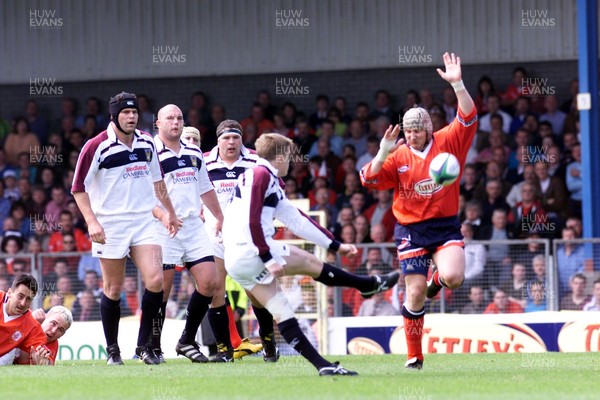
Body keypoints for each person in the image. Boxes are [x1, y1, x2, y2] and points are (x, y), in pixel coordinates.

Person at [222, 133, 399, 376]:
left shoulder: (262, 177)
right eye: (290, 158)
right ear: (281, 157)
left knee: (283, 313)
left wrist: (335, 245)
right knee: (310, 262)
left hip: (236, 261)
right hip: (250, 249)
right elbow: (250, 221)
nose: (291, 163)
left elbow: (297, 221)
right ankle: (366, 285)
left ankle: (323, 366)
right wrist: (267, 257)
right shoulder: (262, 175)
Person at [360, 53, 477, 369]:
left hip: (445, 226)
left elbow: (468, 116)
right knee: (413, 295)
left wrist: (458, 84)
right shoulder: (396, 156)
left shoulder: (447, 142)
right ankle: (415, 355)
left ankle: (435, 282)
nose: (411, 135)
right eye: (407, 131)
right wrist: (384, 149)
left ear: (428, 128)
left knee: (453, 277)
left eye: (417, 130)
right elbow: (369, 178)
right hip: (410, 230)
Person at [71, 92, 180, 365]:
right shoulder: (96, 145)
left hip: (144, 221)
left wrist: (166, 213)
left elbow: (156, 183)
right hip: (110, 224)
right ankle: (112, 351)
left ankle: (144, 346)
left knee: (156, 279)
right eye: (125, 113)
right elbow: (78, 188)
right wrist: (92, 222)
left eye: (134, 113)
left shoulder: (147, 142)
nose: (131, 117)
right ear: (114, 116)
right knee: (113, 288)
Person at [149, 104, 234, 364]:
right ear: (158, 124)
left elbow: (205, 187)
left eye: (179, 118)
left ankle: (186, 340)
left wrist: (219, 216)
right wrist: (163, 216)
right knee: (161, 290)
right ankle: (152, 346)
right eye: (170, 119)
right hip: (163, 227)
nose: (175, 122)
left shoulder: (194, 151)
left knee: (209, 282)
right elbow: (144, 194)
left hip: (193, 226)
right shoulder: (149, 151)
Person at [203, 119, 273, 360]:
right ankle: (224, 350)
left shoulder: (256, 160)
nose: (231, 142)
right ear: (217, 140)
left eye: (235, 137)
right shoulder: (204, 161)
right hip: (215, 235)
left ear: (242, 139)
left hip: (246, 237)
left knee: (255, 292)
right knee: (215, 290)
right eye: (225, 138)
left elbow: (275, 189)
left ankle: (269, 343)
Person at [0, 274, 51, 366]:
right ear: (10, 292)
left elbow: (45, 358)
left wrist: (43, 360)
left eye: (28, 299)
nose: (23, 303)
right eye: (20, 296)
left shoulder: (32, 325)